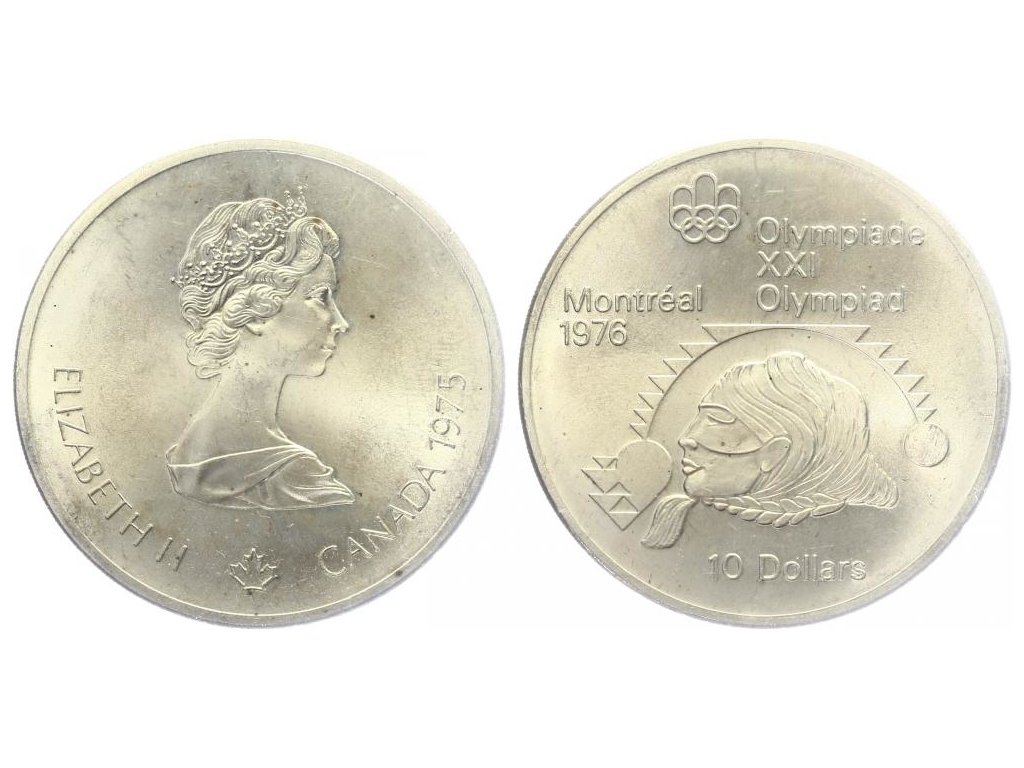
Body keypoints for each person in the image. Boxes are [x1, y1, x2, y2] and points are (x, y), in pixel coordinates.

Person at [165, 190, 355, 510]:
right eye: (320, 297)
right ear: (254, 313)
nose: (340, 323)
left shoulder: (184, 455)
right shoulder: (300, 479)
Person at [642, 352, 897, 548]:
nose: (685, 438)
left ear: (775, 453)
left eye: (715, 420)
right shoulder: (676, 517)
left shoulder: (876, 534)